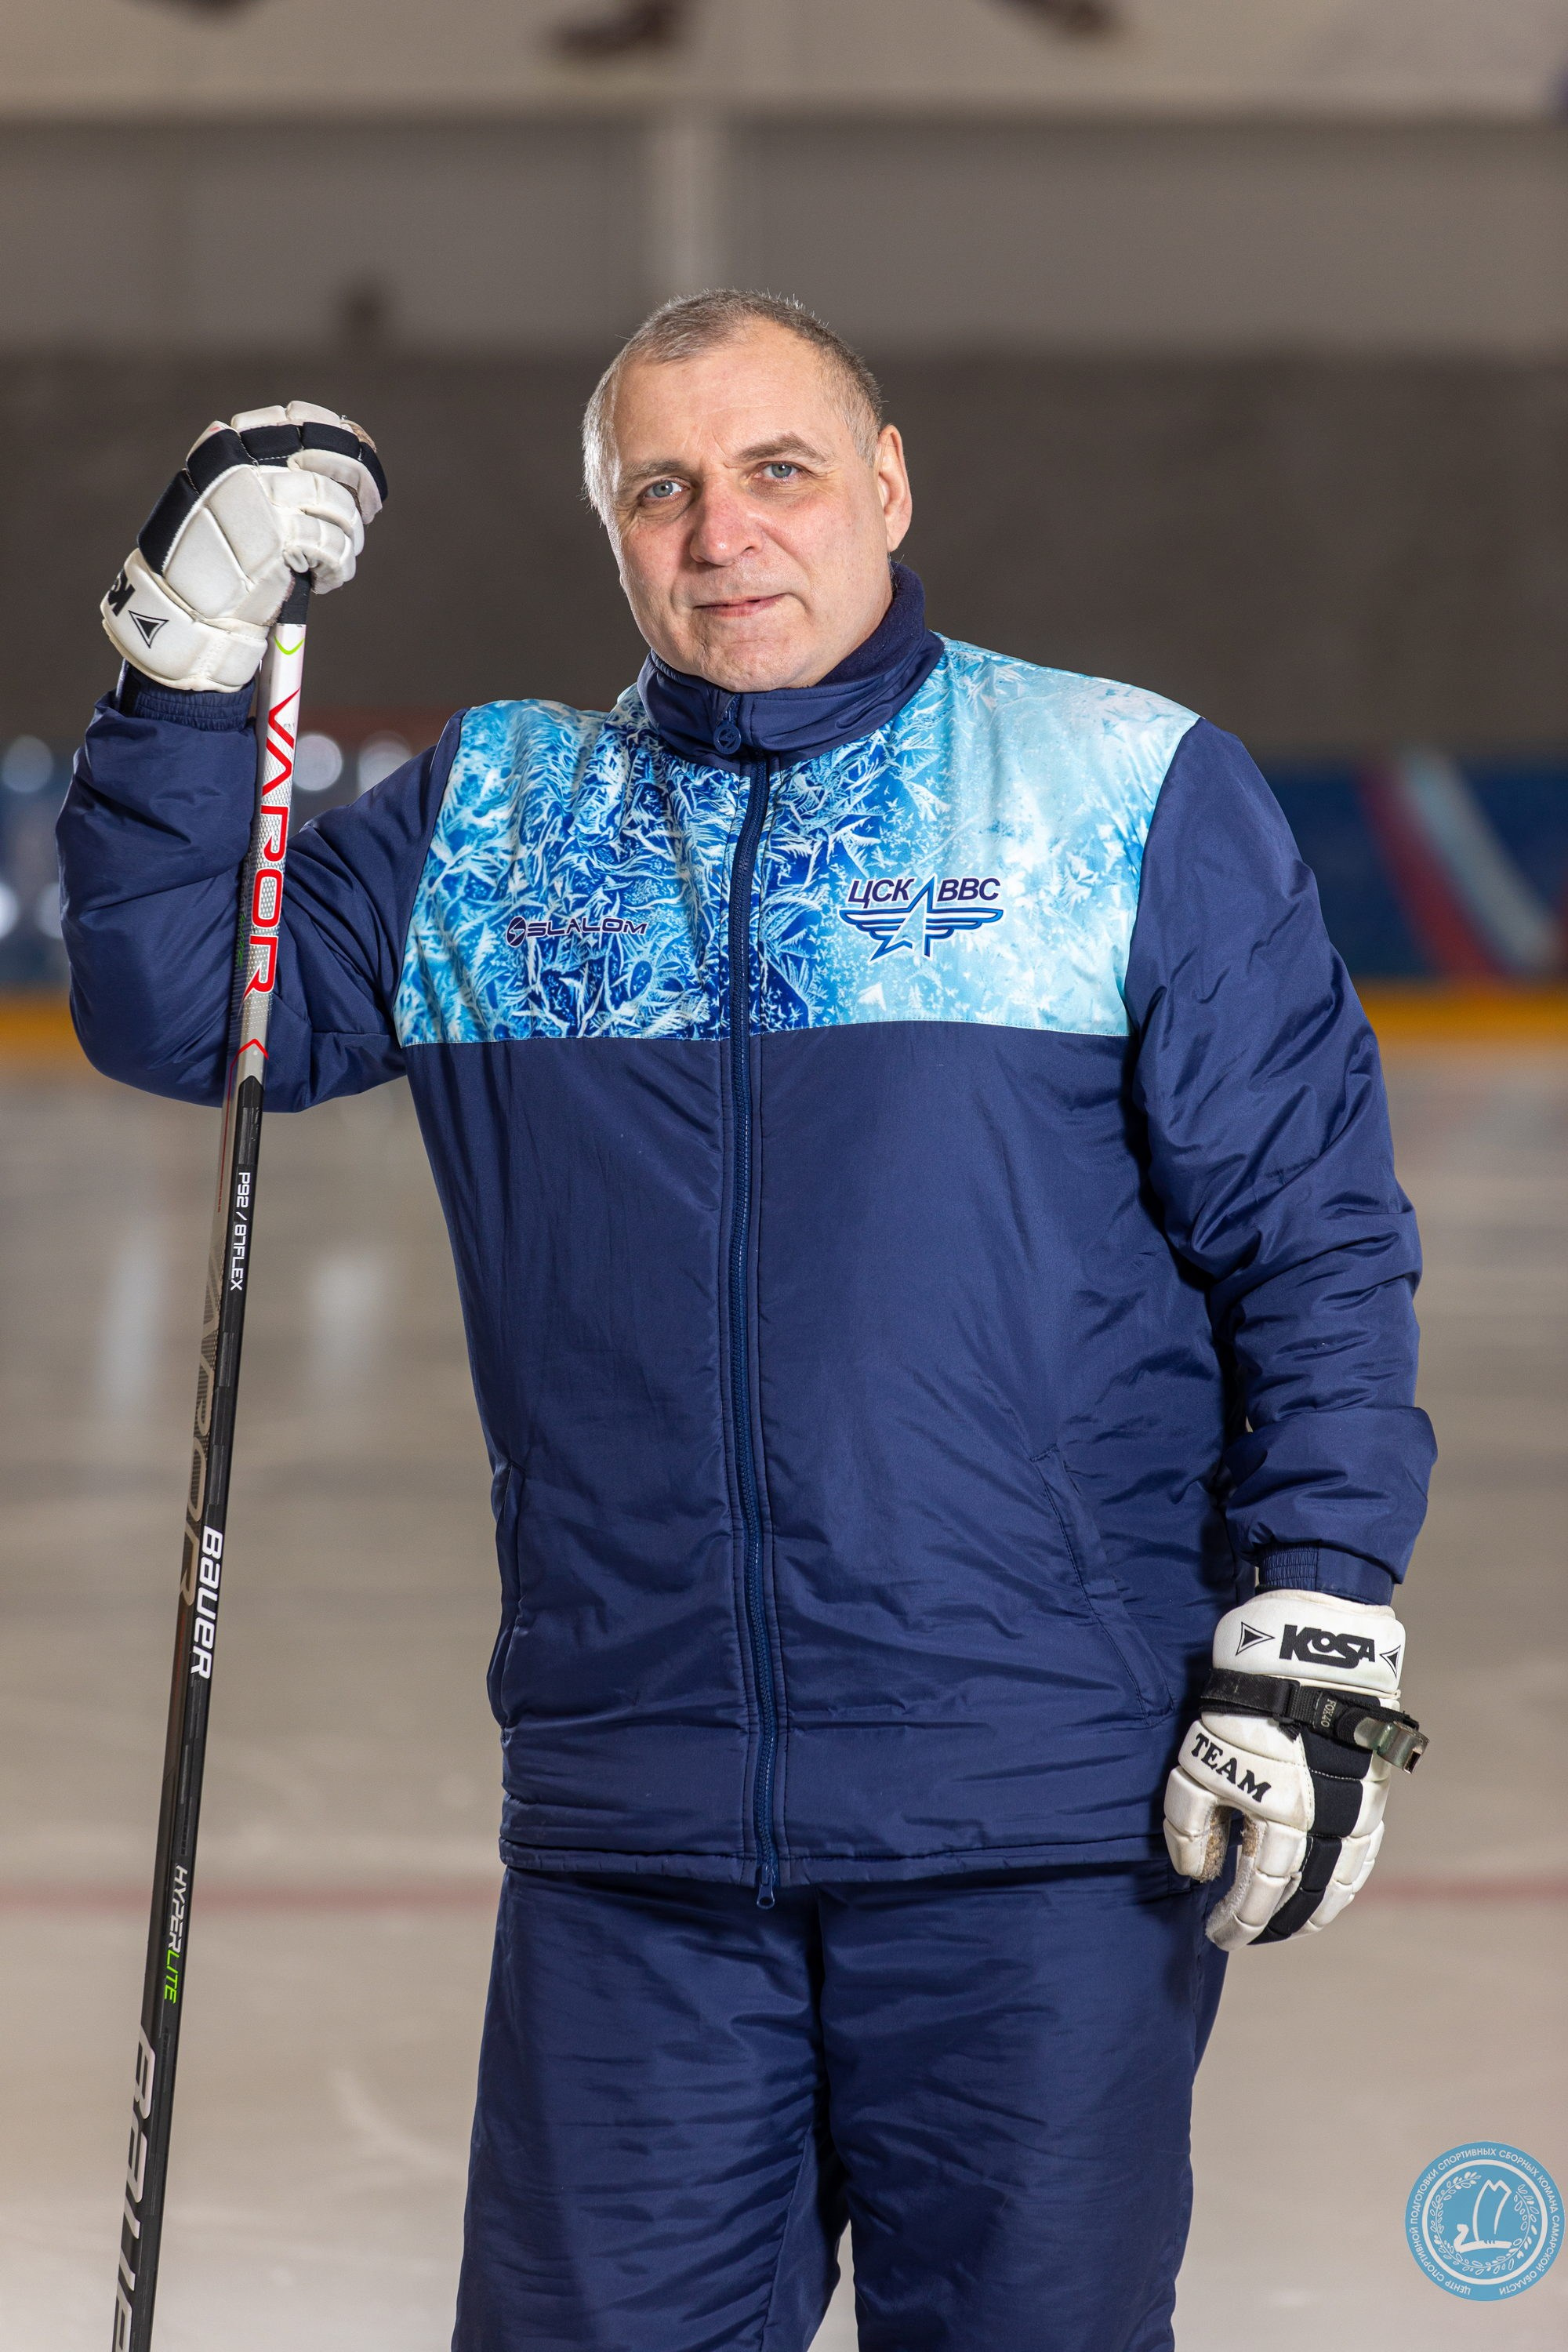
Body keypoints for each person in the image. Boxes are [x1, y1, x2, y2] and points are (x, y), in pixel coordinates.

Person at [60, 293, 1434, 2352]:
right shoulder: (495, 825)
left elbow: (1312, 1235)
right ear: (614, 533)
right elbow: (186, 1004)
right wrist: (179, 673)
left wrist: (1323, 1622)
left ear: (886, 486)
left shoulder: (1119, 788)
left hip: (1041, 1819)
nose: (725, 532)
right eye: (662, 489)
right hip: (641, 1831)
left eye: (779, 470)